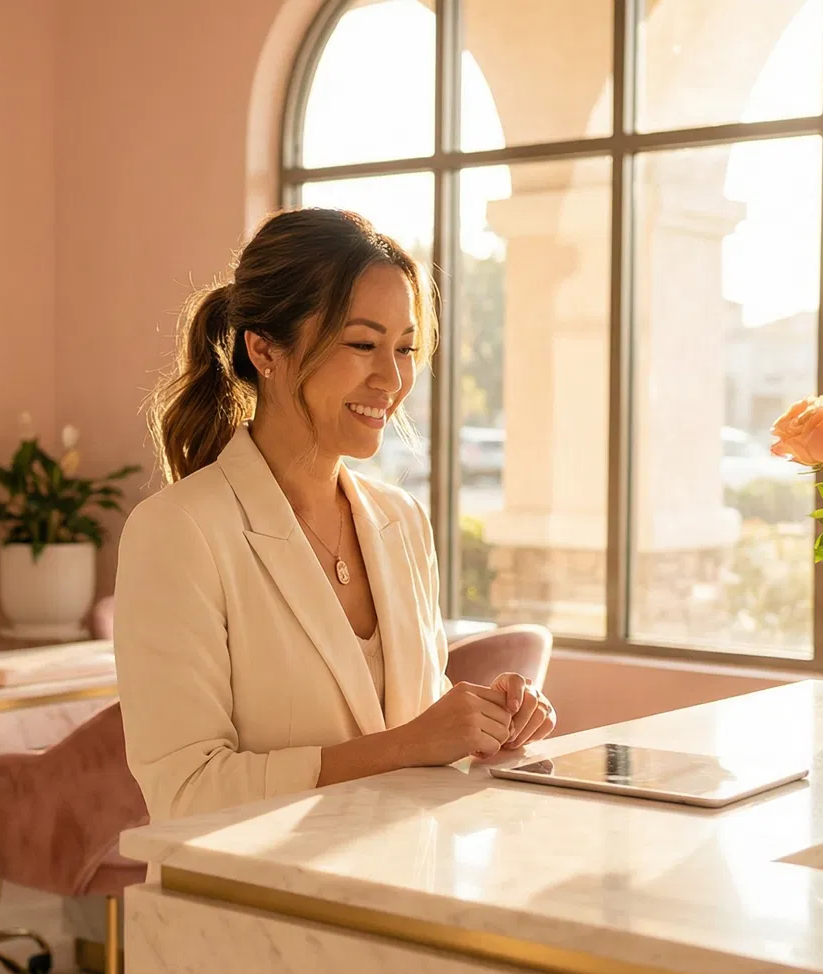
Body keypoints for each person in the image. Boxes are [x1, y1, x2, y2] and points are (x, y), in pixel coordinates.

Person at [114, 207, 557, 823]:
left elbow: (422, 748)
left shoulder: (403, 522)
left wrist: (487, 723)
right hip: (251, 904)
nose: (392, 378)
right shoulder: (179, 532)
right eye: (362, 344)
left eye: (404, 348)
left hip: (400, 882)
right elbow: (187, 792)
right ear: (264, 349)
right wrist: (411, 744)